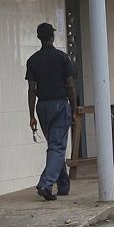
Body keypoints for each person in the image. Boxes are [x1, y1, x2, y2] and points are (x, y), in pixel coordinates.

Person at [25, 21, 78, 201]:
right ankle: (46, 184)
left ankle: (63, 185)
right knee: (57, 147)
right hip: (60, 105)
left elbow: (32, 89)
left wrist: (31, 115)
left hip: (42, 107)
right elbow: (70, 86)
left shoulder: (32, 60)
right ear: (53, 37)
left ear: (39, 38)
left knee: (54, 146)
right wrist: (74, 109)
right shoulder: (62, 58)